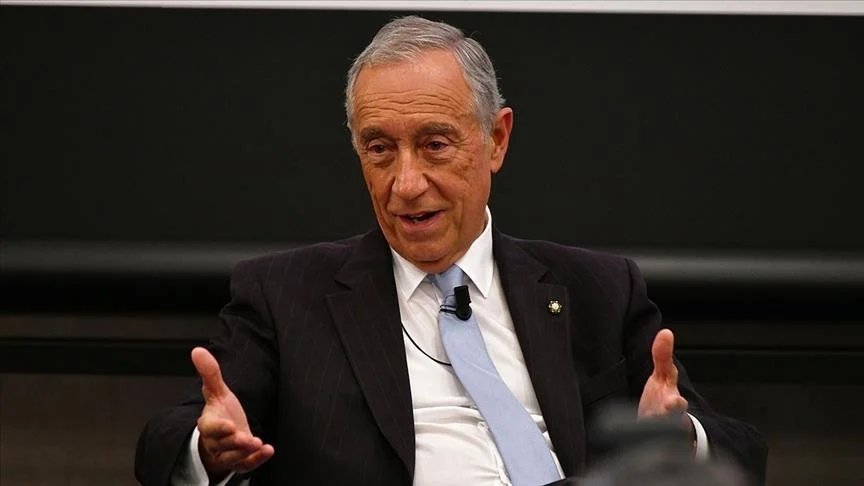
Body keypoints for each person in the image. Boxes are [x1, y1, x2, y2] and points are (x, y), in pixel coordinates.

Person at [135, 16, 766, 486]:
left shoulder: (597, 288)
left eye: (435, 145)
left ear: (496, 140)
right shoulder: (284, 295)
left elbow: (741, 450)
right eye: (380, 149)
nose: (406, 183)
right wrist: (207, 447)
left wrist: (681, 438)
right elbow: (168, 439)